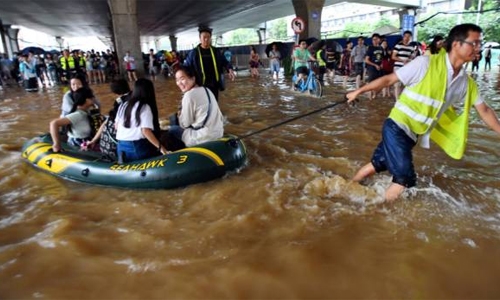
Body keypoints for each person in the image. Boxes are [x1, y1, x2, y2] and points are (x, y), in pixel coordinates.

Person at [345, 23, 500, 202]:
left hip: (412, 134)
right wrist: (358, 91)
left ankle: (349, 187)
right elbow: (390, 79)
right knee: (405, 179)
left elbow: (485, 110)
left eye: (480, 43)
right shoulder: (425, 63)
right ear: (456, 44)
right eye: (474, 43)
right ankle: (375, 214)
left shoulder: (466, 83)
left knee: (378, 164)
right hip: (397, 125)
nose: (478, 48)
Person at [167, 66, 224, 150]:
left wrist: (180, 115)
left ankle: (181, 153)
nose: (179, 83)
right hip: (219, 133)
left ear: (193, 78)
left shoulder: (189, 95)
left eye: (182, 79)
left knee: (173, 129)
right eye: (177, 80)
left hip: (204, 137)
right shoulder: (207, 90)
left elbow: (185, 124)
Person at [115, 78, 166, 163]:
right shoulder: (145, 107)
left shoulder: (124, 105)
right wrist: (162, 149)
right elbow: (146, 131)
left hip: (121, 147)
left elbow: (116, 127)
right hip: (136, 148)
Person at [184, 26, 236, 101]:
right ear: (200, 38)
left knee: (214, 104)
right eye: (204, 37)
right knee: (202, 106)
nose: (206, 39)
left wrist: (230, 69)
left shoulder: (216, 51)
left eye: (208, 37)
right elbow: (186, 68)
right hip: (200, 86)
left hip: (214, 85)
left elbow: (224, 62)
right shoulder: (194, 53)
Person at [86, 79, 131, 160]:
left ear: (115, 93)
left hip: (106, 147)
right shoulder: (130, 100)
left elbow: (105, 124)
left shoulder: (118, 103)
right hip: (116, 148)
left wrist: (93, 140)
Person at [50, 87, 96, 152]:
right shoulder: (79, 114)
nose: (94, 99)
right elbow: (54, 123)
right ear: (87, 100)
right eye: (92, 97)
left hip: (85, 139)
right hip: (77, 142)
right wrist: (56, 144)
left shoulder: (85, 111)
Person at [364, 33, 384, 99]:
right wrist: (375, 65)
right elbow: (366, 60)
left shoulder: (381, 48)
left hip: (379, 68)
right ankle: (370, 98)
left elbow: (382, 58)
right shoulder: (370, 48)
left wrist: (381, 64)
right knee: (371, 83)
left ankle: (374, 96)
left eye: (376, 39)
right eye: (373, 40)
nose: (374, 41)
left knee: (378, 83)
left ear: (379, 40)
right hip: (372, 68)